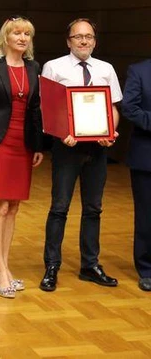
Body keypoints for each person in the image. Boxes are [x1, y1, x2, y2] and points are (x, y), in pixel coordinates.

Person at [39, 18, 122, 292]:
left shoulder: (105, 69)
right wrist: (61, 132)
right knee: (59, 207)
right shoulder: (54, 67)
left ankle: (90, 265)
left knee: (94, 208)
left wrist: (111, 131)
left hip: (97, 148)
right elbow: (48, 109)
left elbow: (112, 108)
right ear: (68, 41)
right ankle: (52, 266)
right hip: (67, 147)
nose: (83, 41)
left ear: (95, 41)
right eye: (78, 37)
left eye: (88, 37)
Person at [0, 16, 44, 299]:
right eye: (17, 33)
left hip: (23, 143)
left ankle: (3, 265)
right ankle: (1, 270)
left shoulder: (34, 67)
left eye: (27, 34)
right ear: (6, 37)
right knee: (0, 205)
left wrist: (38, 145)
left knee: (14, 206)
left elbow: (36, 108)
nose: (22, 38)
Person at [121, 60, 151, 291]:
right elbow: (129, 108)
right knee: (146, 216)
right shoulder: (138, 70)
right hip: (146, 157)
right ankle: (147, 269)